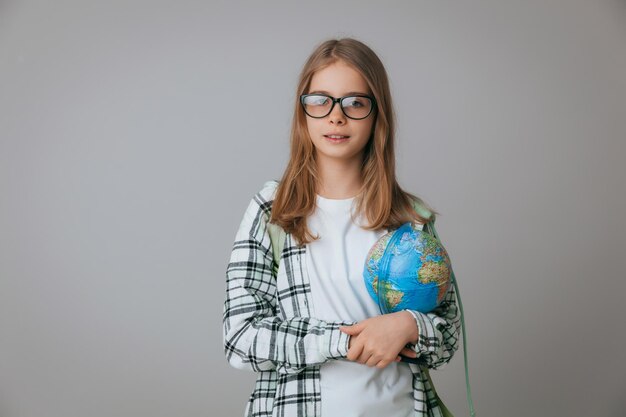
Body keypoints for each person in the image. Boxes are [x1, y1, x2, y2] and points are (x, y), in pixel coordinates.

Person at [223, 37, 461, 417]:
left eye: (355, 102)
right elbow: (240, 339)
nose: (336, 116)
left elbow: (447, 339)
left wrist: (408, 325)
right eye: (320, 100)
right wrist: (345, 342)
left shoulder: (410, 218)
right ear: (303, 113)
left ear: (376, 114)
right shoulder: (272, 210)